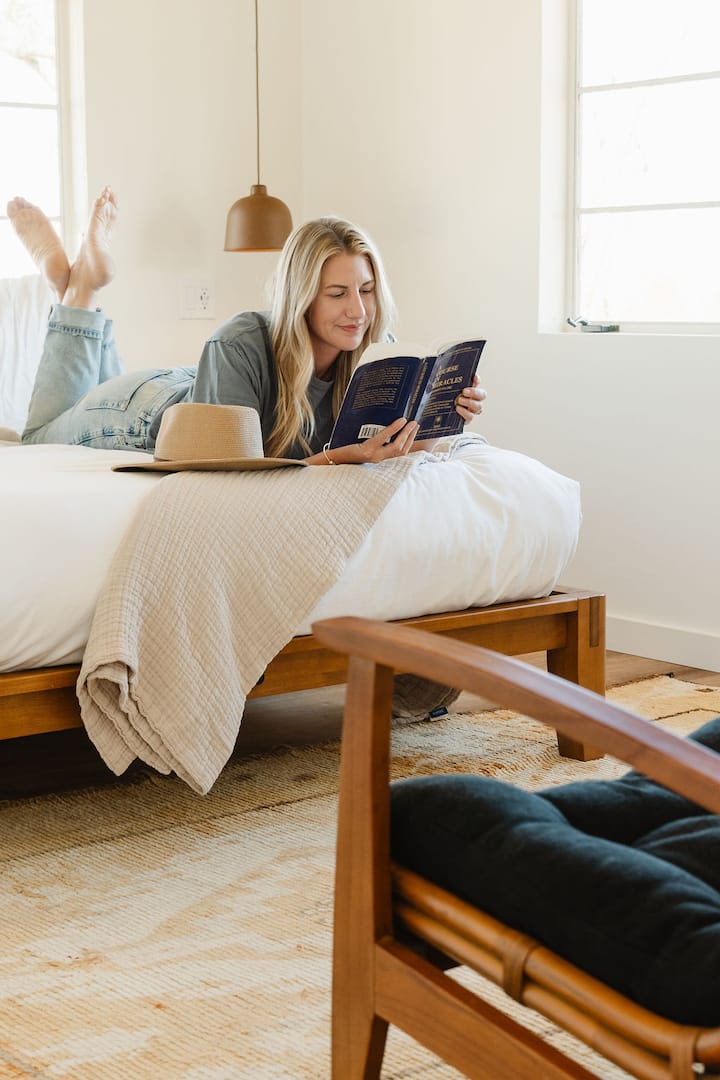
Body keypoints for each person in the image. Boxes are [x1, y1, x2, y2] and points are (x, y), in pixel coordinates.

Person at [8, 188, 485, 464]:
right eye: (336, 294)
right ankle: (78, 290)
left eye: (365, 290)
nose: (357, 311)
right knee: (34, 440)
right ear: (300, 296)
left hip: (201, 384)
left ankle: (75, 286)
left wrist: (444, 415)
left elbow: (392, 446)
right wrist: (339, 461)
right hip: (142, 415)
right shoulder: (242, 340)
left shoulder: (378, 354)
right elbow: (227, 472)